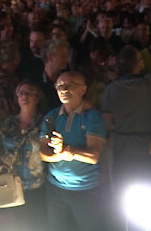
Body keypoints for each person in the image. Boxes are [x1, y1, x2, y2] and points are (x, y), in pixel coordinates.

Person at [40, 71, 107, 231]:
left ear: (83, 90)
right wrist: (60, 154)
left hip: (86, 190)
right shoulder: (52, 116)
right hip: (56, 188)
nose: (63, 89)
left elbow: (94, 156)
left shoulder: (93, 117)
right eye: (59, 85)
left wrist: (69, 152)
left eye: (68, 85)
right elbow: (43, 153)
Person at [101, 46, 151, 230]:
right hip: (149, 150)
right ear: (139, 64)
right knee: (150, 201)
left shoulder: (110, 90)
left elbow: (108, 123)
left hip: (122, 151)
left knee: (126, 201)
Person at [0, 80, 47, 230]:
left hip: (36, 185)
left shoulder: (44, 123)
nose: (24, 96)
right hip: (10, 185)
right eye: (20, 93)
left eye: (29, 93)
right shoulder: (8, 123)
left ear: (37, 98)